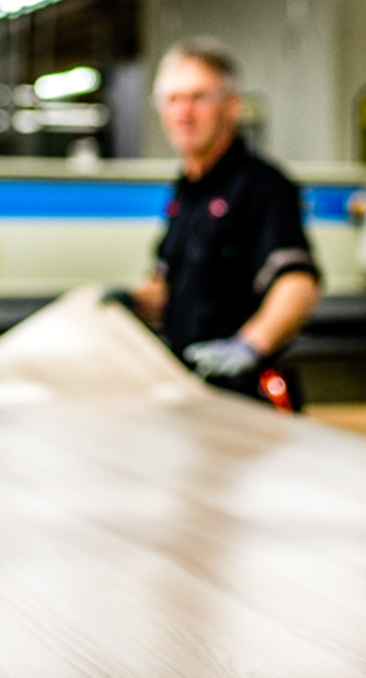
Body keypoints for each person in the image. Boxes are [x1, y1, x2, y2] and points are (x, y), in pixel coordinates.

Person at [114, 37, 321, 410]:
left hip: (249, 397)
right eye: (172, 100)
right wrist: (133, 302)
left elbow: (298, 285)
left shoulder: (265, 187)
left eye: (198, 98)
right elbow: (168, 285)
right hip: (194, 394)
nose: (184, 113)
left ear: (232, 106)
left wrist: (248, 346)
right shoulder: (185, 192)